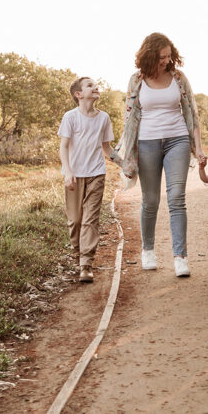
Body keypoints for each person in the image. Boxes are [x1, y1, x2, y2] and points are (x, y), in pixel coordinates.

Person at [117, 33, 207, 278]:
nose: (166, 61)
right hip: (147, 143)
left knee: (177, 196)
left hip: (177, 139)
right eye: (161, 57)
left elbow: (192, 113)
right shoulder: (136, 80)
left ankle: (180, 257)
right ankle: (148, 250)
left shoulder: (178, 78)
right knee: (151, 200)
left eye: (169, 56)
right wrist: (127, 154)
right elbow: (129, 118)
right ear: (149, 56)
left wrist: (197, 147)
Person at [58, 76, 120, 283]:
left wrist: (125, 164)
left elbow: (106, 148)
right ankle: (78, 253)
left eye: (95, 85)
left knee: (90, 219)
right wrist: (68, 172)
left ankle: (86, 264)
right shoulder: (71, 117)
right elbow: (63, 147)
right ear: (78, 94)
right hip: (74, 175)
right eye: (90, 86)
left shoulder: (104, 118)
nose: (96, 87)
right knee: (75, 220)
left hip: (96, 173)